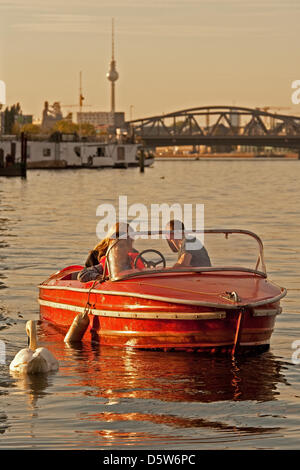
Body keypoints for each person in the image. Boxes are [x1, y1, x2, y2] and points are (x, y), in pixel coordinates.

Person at [78, 222, 144, 282]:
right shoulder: (100, 258)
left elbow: (144, 267)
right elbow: (83, 274)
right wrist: (99, 277)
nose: (119, 249)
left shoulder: (132, 255)